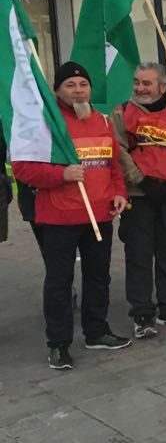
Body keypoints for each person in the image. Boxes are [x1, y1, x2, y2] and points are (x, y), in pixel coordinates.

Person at [12, 62, 131, 370]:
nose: (78, 90)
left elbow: (113, 165)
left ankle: (97, 331)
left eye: (83, 84)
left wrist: (119, 193)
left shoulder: (103, 121)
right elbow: (22, 168)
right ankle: (58, 343)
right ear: (57, 91)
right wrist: (60, 174)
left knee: (98, 277)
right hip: (59, 219)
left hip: (99, 215)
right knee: (59, 283)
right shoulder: (44, 124)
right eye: (70, 85)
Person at [112, 62, 166, 339]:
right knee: (138, 253)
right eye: (137, 82)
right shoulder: (122, 112)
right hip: (139, 194)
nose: (140, 88)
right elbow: (118, 150)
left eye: (146, 83)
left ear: (163, 86)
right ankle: (142, 312)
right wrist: (141, 180)